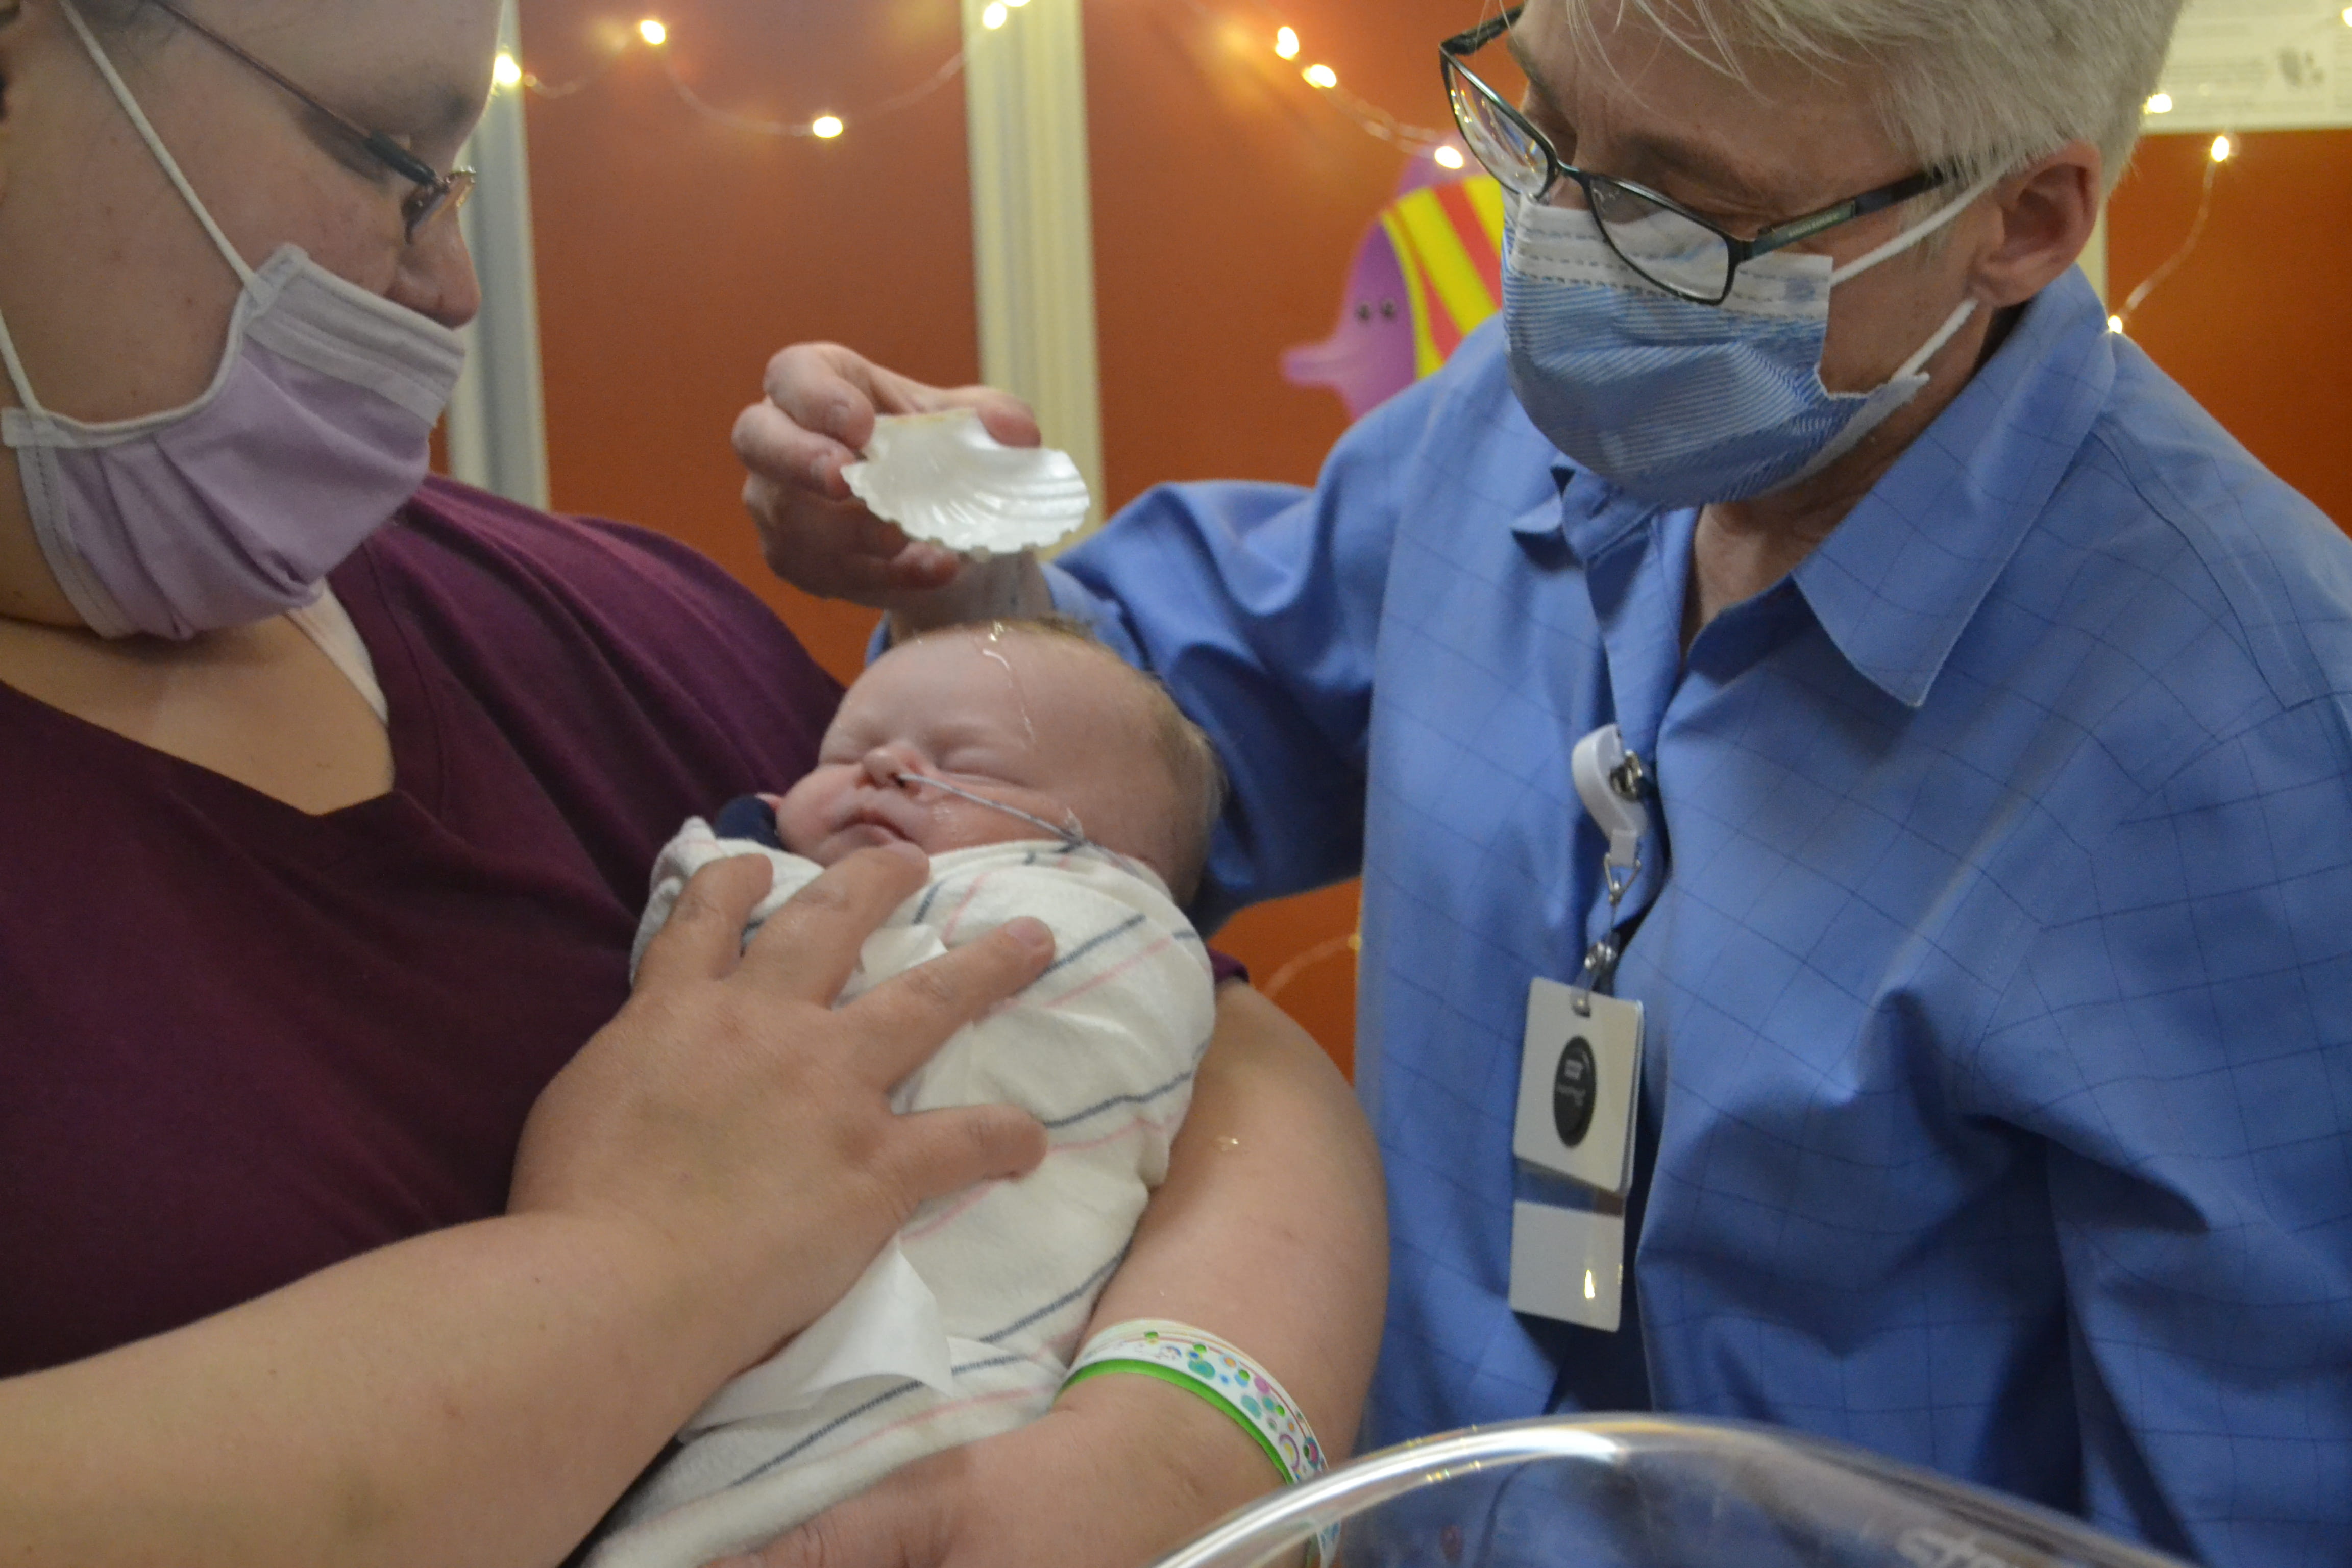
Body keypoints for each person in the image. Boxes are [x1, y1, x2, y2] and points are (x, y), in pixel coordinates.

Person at [738, 0, 2352, 1562]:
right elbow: (1169, 738)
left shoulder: (2248, 737)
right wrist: (953, 574)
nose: (1568, 249)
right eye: (1548, 131)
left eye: (1688, 212)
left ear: (2023, 220)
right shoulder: (1556, 425)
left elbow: (2249, 1505)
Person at [0, 3, 1387, 1566]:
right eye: (393, 158)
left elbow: (1201, 1031)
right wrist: (643, 1273)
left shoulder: (613, 629)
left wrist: (1172, 1455)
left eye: (462, 183)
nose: (452, 288)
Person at [590, 621, 1236, 1566]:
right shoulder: (786, 876)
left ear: (1115, 856)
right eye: (845, 753)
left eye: (970, 767)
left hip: (987, 1382)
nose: (886, 768)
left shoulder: (1107, 930)